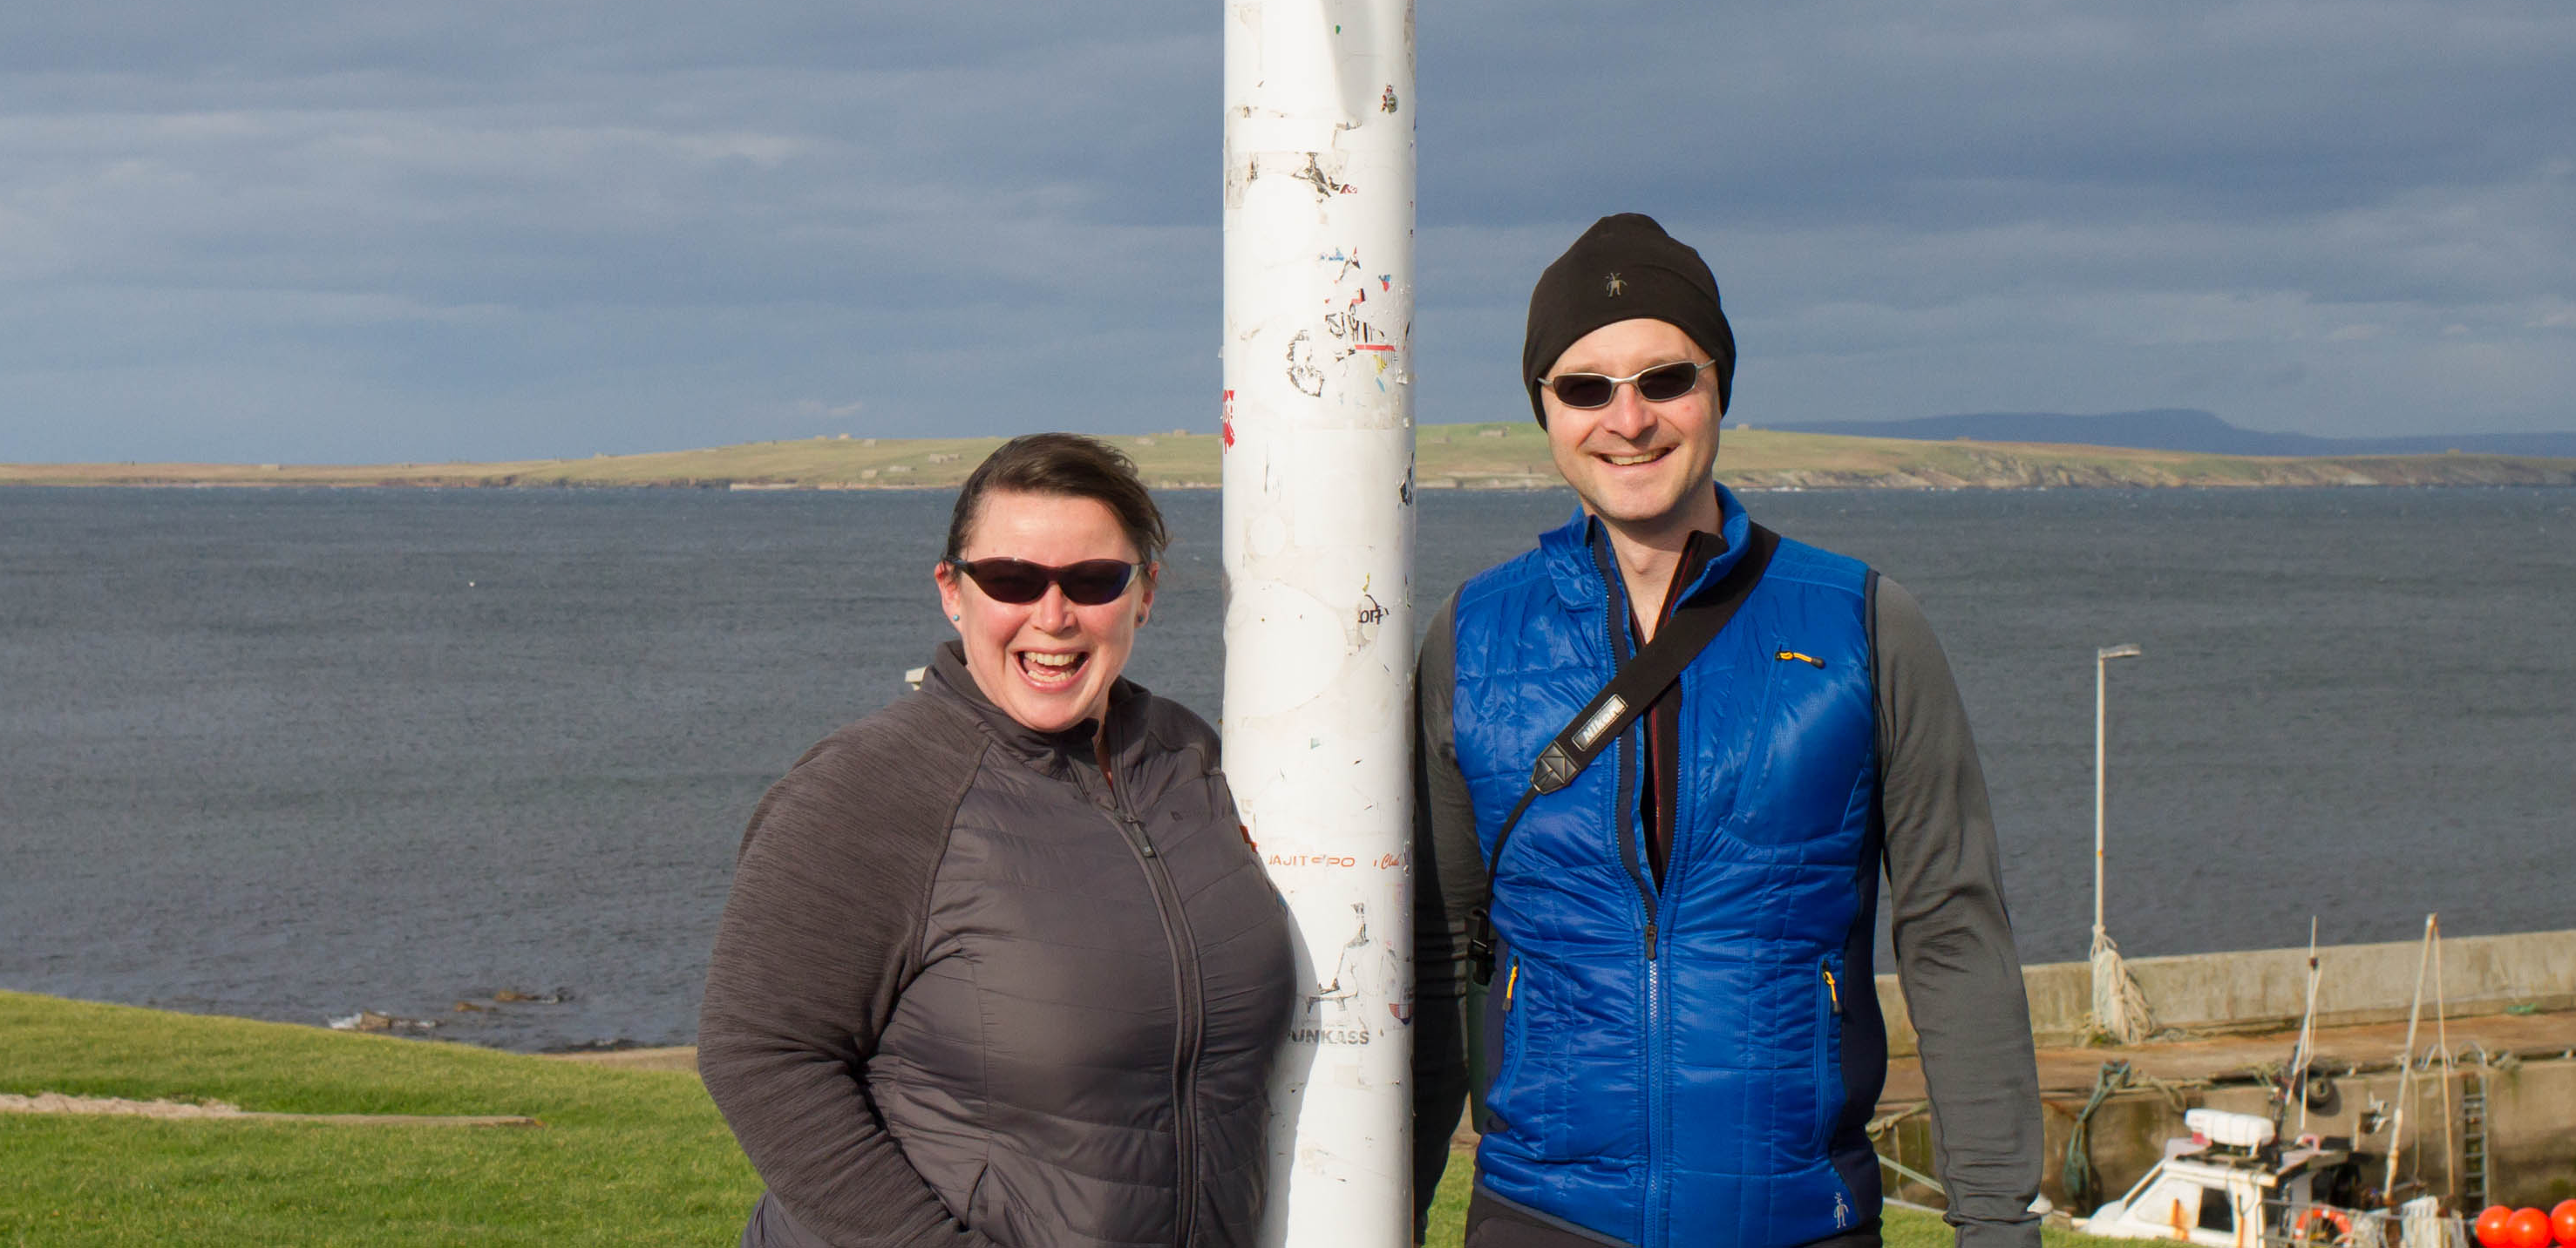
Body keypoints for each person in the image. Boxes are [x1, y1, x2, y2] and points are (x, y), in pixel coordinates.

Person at [1411, 214, 2042, 1248]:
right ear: (1542, 408)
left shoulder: (1862, 625)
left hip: (1797, 1218)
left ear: (1718, 388)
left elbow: (1951, 937)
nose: (1628, 419)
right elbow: (1437, 952)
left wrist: (1996, 1224)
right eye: (1583, 388)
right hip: (1540, 1219)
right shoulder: (1473, 635)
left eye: (1665, 379)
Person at [701, 433, 1295, 1248]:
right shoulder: (869, 788)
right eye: (1012, 579)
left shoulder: (1186, 758)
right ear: (953, 591)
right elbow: (760, 1057)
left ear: (1144, 593)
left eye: (1093, 580)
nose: (1052, 616)